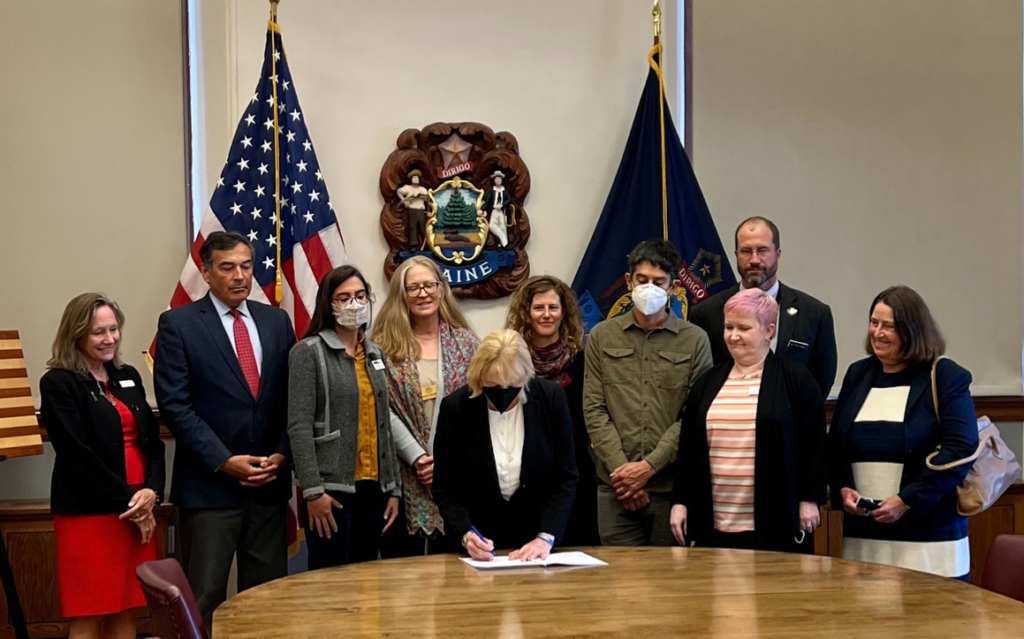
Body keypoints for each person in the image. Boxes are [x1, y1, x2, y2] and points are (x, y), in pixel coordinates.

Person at [154, 231, 296, 629]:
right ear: (206, 271)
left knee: (267, 600)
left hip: (268, 488)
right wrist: (224, 461)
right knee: (203, 598)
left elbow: (295, 399)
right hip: (209, 491)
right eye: (227, 267)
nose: (239, 276)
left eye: (246, 266)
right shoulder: (179, 325)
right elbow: (176, 408)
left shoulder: (276, 321)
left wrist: (284, 453)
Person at [829, 285, 978, 581]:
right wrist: (843, 489)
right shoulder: (858, 375)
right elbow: (836, 444)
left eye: (890, 326)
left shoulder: (946, 376)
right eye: (874, 323)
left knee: (932, 624)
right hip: (865, 539)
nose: (878, 333)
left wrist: (907, 499)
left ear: (913, 331)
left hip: (930, 540)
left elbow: (960, 449)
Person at [40, 293, 164, 639]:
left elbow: (152, 442)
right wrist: (132, 503)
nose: (110, 339)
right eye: (99, 332)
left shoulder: (128, 376)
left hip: (140, 507)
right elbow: (76, 455)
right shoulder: (59, 383)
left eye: (114, 329)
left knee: (127, 605)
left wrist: (152, 492)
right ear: (76, 334)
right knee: (90, 611)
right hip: (91, 513)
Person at [670, 288, 827, 552]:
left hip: (774, 525)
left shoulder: (797, 381)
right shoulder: (707, 383)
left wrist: (809, 500)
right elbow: (687, 450)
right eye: (728, 327)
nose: (733, 336)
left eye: (744, 328)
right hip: (713, 523)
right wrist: (680, 502)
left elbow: (815, 446)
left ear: (769, 331)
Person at [583, 239, 713, 546]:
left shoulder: (695, 341)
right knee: (620, 586)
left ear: (673, 287)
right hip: (614, 487)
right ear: (629, 281)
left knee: (668, 585)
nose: (649, 288)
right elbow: (594, 409)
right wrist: (624, 475)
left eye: (659, 282)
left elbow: (693, 416)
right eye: (642, 280)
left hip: (670, 489)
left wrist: (648, 468)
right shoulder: (602, 336)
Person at [287, 265, 401, 570]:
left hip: (373, 488)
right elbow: (298, 427)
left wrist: (393, 488)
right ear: (329, 303)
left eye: (360, 296)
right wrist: (312, 491)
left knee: (366, 580)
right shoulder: (308, 352)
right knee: (330, 584)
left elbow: (383, 423)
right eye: (344, 298)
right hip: (330, 490)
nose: (354, 304)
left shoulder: (375, 353)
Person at [433, 330, 578, 560]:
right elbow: (445, 487)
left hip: (538, 544)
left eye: (512, 386)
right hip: (478, 545)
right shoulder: (456, 408)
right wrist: (466, 534)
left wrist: (546, 536)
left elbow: (565, 476)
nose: (503, 393)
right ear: (478, 377)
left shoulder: (551, 399)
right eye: (492, 385)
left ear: (526, 377)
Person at [373, 255, 479, 556]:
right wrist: (418, 457)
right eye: (413, 288)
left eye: (429, 285)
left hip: (457, 478)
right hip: (400, 479)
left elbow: (477, 409)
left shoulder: (468, 344)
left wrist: (443, 463)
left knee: (453, 577)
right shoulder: (382, 346)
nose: (423, 293)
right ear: (401, 295)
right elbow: (381, 410)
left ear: (442, 289)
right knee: (402, 580)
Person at [688, 216, 837, 397]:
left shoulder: (814, 314)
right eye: (746, 251)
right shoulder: (705, 313)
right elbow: (701, 380)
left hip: (791, 421)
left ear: (778, 254)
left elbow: (821, 381)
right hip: (727, 418)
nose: (754, 260)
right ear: (736, 255)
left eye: (763, 250)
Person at [506, 275, 599, 546]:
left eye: (553, 307)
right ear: (526, 312)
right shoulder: (511, 362)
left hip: (574, 473)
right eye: (538, 308)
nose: (546, 315)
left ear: (564, 312)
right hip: (524, 477)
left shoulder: (583, 360)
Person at [396, 169, 430, 251]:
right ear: (411, 179)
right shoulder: (408, 188)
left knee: (423, 228)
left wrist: (419, 196)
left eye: (417, 178)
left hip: (421, 211)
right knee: (412, 227)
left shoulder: (423, 189)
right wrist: (404, 201)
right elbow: (399, 191)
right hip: (412, 210)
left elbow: (427, 198)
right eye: (414, 178)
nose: (416, 180)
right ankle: (413, 245)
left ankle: (427, 244)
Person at [482, 170, 512, 247]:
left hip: (502, 211)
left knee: (503, 227)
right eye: (497, 179)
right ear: (494, 180)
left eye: (500, 179)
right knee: (492, 226)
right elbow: (488, 201)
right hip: (494, 210)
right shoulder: (492, 190)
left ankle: (502, 245)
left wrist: (502, 204)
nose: (498, 180)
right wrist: (482, 209)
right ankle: (504, 241)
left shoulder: (504, 190)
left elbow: (509, 200)